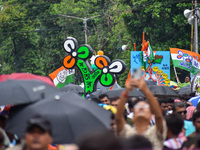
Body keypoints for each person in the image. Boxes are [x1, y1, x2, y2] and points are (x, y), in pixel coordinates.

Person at [115, 77, 167, 150]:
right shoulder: (127, 132)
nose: (141, 108)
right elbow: (118, 119)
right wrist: (126, 91)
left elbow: (158, 117)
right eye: (138, 106)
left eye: (145, 106)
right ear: (133, 115)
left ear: (151, 116)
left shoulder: (155, 132)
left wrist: (146, 90)